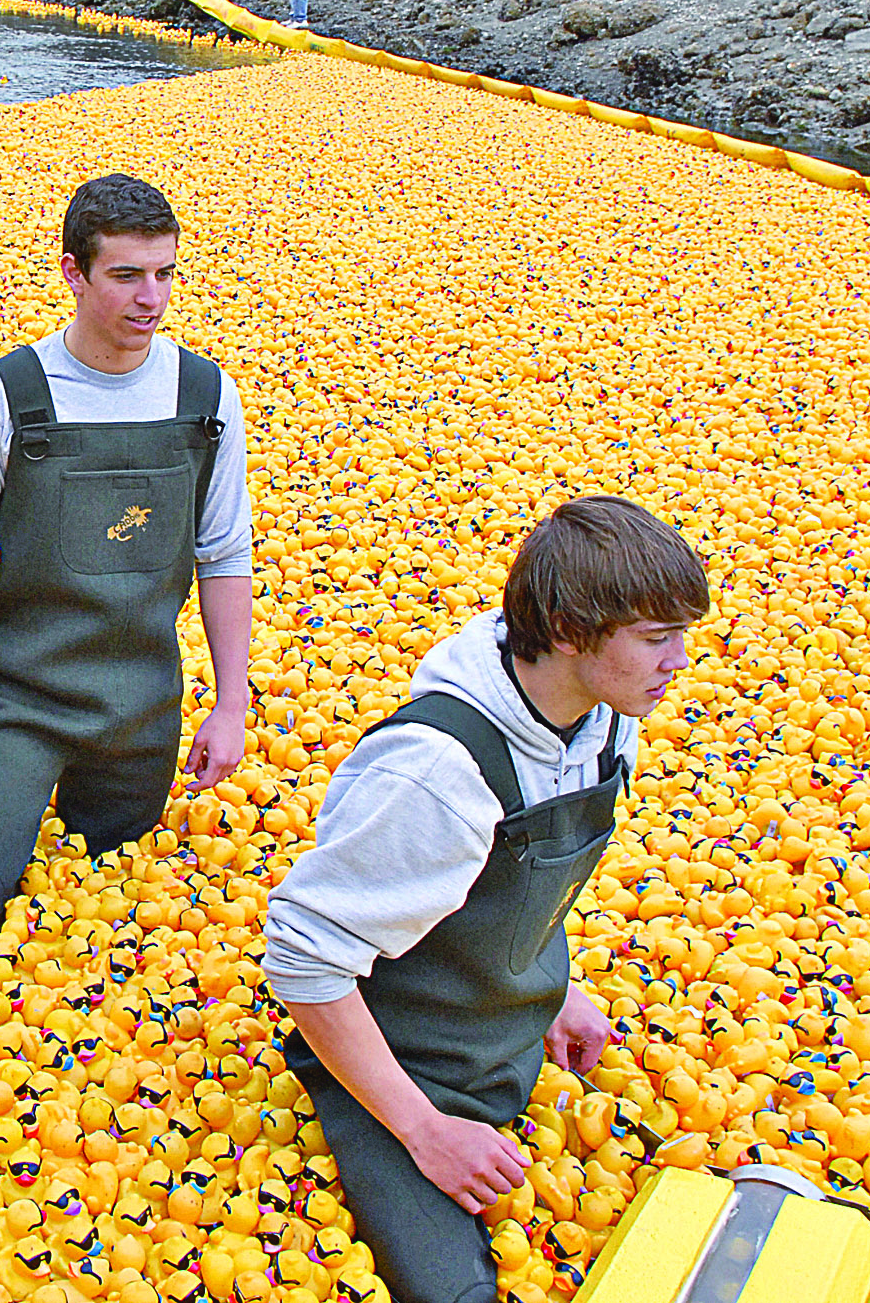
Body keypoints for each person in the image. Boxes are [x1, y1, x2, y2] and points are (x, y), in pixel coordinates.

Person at [262, 495, 707, 1303]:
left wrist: (554, 986)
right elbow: (300, 955)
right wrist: (424, 1130)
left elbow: (515, 882)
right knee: (454, 1293)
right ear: (570, 631)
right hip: (403, 1060)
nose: (679, 661)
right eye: (656, 639)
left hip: (506, 1025)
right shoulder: (439, 771)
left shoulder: (604, 714)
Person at [0, 174, 253, 944]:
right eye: (126, 275)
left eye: (165, 273)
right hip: (21, 702)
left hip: (141, 708)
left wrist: (231, 705)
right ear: (73, 272)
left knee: (119, 896)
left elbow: (225, 554)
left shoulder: (203, 397)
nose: (151, 299)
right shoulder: (4, 395)